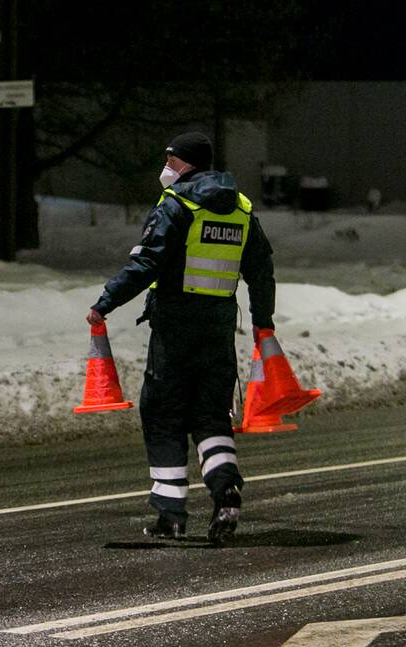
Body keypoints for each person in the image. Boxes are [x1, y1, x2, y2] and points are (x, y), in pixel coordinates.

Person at [86, 131, 275, 544]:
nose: (166, 165)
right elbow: (261, 271)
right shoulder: (240, 210)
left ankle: (170, 512)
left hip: (175, 327)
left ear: (188, 163)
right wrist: (264, 322)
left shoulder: (177, 206)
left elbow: (148, 263)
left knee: (163, 413)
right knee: (210, 415)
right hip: (219, 329)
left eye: (171, 159)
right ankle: (225, 489)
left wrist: (106, 301)